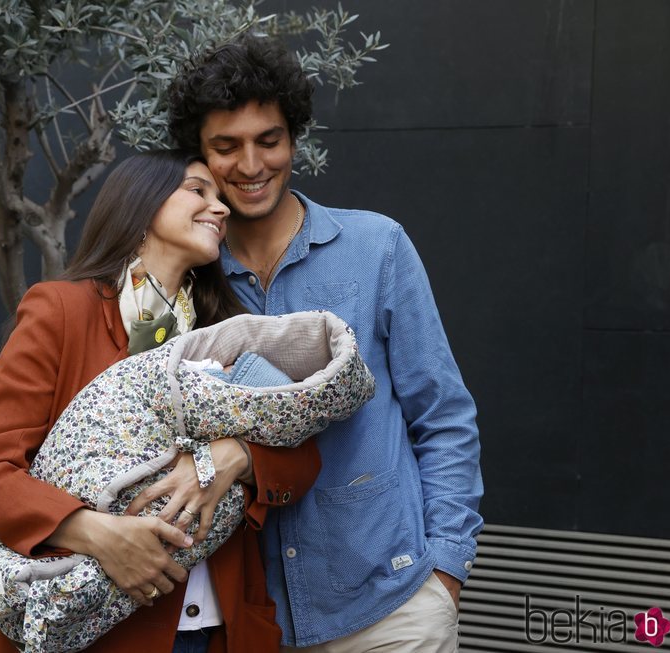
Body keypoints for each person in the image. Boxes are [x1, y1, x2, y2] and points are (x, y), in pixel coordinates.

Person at [165, 36, 484, 652]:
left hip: (391, 607)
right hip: (252, 624)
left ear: (294, 138)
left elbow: (443, 419)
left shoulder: (378, 247)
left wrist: (445, 573)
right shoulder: (190, 279)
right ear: (199, 157)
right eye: (226, 146)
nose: (252, 165)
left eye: (270, 140)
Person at [0, 149, 322, 653]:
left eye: (221, 199)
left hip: (217, 629)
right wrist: (99, 534)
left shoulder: (227, 332)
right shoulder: (63, 310)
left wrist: (235, 457)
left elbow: (302, 451)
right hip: (94, 631)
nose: (220, 209)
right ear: (141, 202)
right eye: (198, 190)